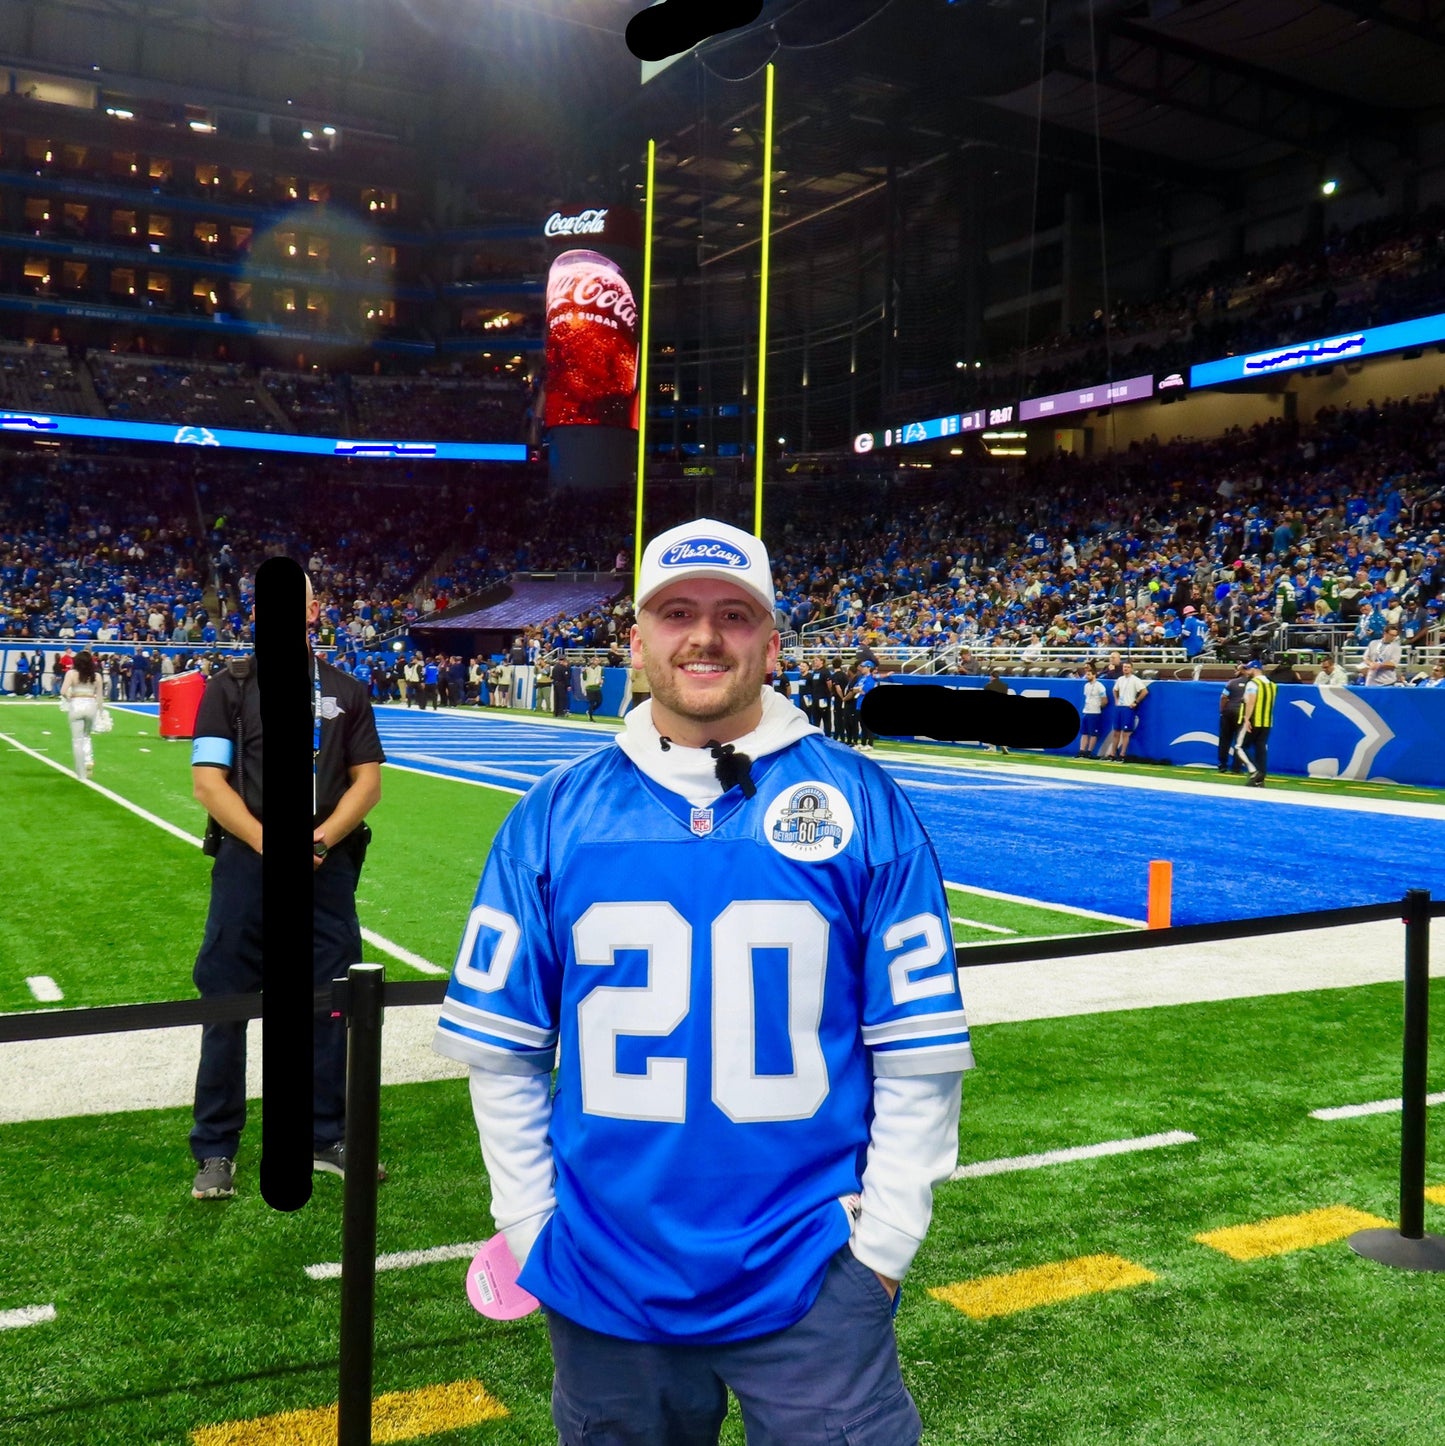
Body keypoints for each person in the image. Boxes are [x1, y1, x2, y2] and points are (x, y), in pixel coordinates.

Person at [434, 518, 971, 1446]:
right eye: (676, 612)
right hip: (604, 1277)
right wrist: (529, 1224)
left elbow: (917, 1052)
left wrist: (882, 1248)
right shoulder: (553, 814)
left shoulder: (864, 802)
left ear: (770, 639)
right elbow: (504, 1053)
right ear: (635, 638)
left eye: (734, 614)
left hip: (811, 1273)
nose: (705, 636)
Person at [187, 574, 387, 1201]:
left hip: (325, 867)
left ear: (313, 610)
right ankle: (216, 1148)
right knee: (229, 1001)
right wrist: (269, 844)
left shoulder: (347, 691)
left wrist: (322, 841)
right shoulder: (229, 687)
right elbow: (209, 782)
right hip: (251, 864)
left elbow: (368, 781)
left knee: (329, 1003)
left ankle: (324, 1135)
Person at [59, 649, 107, 779]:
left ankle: (80, 773)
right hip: (91, 705)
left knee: (77, 740)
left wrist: (70, 698)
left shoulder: (71, 674)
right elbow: (100, 697)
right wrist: (101, 713)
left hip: (76, 704)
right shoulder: (97, 676)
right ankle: (88, 760)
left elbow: (63, 691)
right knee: (86, 736)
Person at [1237, 658, 1277, 788]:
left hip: (1254, 719)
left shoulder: (1253, 684)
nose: (1247, 671)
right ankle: (1261, 777)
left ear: (1254, 669)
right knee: (1261, 748)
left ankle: (1255, 772)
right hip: (1266, 720)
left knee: (1240, 746)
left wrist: (1247, 718)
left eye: (1249, 669)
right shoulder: (1272, 684)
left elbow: (1251, 702)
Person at [1108, 659, 1149, 761]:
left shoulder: (1135, 680)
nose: (1125, 669)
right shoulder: (1120, 679)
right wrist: (1116, 700)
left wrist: (1135, 702)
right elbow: (1115, 689)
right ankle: (1112, 754)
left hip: (1128, 708)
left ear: (1131, 669)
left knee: (1126, 733)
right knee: (1116, 732)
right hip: (1119, 707)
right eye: (1124, 667)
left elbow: (1144, 691)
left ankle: (1122, 754)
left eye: (1127, 667)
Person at [1218, 662, 1247, 774]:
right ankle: (1236, 767)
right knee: (1239, 742)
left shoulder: (1231, 683)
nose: (1235, 672)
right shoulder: (1253, 684)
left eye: (1237, 670)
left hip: (1228, 713)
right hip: (1242, 714)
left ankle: (1222, 765)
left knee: (1225, 739)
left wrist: (1222, 711)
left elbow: (1223, 697)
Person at [1079, 663, 1107, 757]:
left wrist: (1098, 707)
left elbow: (1105, 700)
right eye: (1086, 674)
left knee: (1093, 733)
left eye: (1089, 674)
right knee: (1084, 732)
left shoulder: (1100, 686)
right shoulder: (1086, 686)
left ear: (1094, 675)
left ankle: (1089, 751)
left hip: (1094, 712)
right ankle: (1082, 751)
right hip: (1086, 711)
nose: (1087, 676)